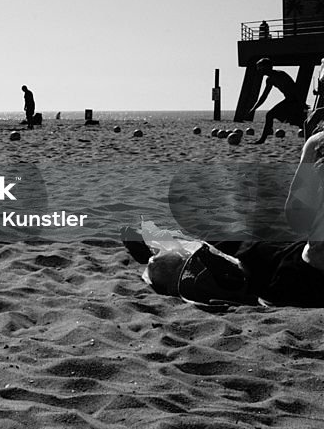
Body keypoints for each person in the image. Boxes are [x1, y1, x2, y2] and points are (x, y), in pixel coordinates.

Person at [122, 124, 324, 307]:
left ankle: (159, 250)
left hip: (303, 279)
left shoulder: (319, 144)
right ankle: (163, 247)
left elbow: (298, 220)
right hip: (306, 273)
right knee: (255, 248)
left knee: (239, 255)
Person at [249, 58, 306, 144]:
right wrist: (254, 108)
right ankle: (263, 139)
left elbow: (295, 89)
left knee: (300, 123)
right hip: (288, 101)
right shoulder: (269, 80)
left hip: (294, 101)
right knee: (270, 115)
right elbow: (264, 96)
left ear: (266, 67)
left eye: (259, 68)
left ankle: (263, 138)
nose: (258, 70)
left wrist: (302, 103)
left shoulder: (281, 75)